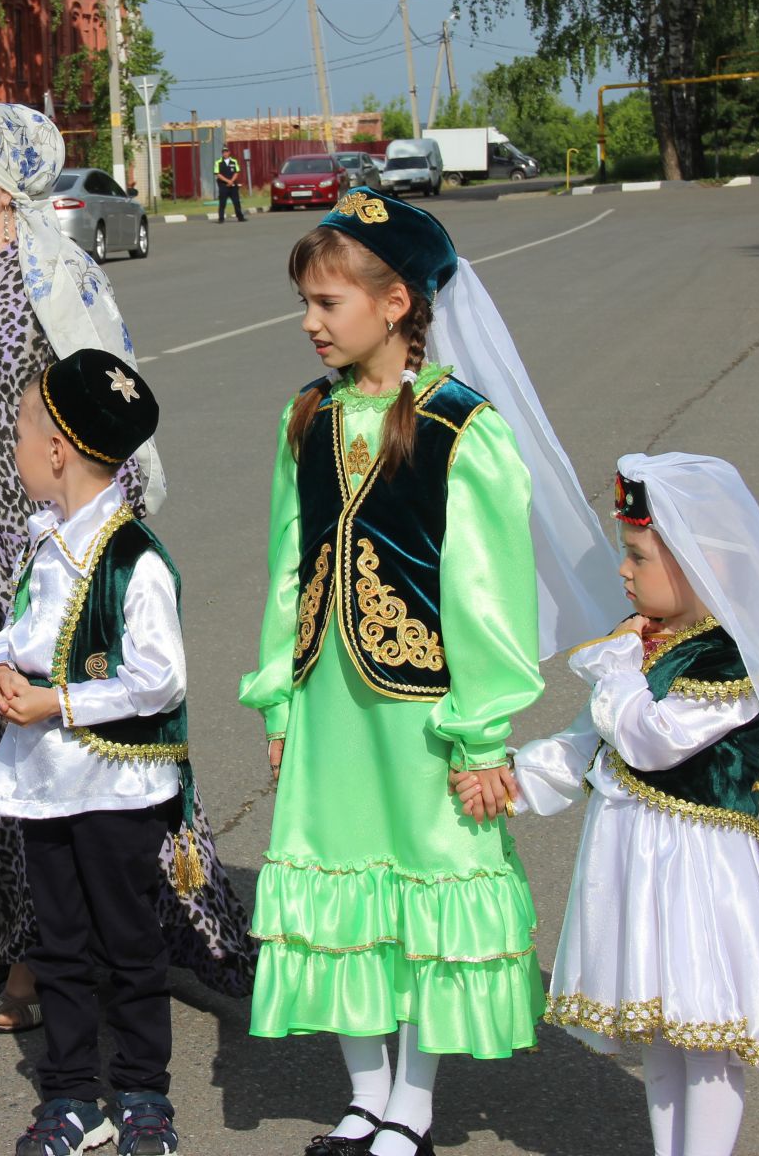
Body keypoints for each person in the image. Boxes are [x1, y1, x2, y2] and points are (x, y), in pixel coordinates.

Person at [0, 102, 254, 1032]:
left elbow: (107, 419)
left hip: (32, 555)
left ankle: (51, 951)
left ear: (2, 181)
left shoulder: (53, 278)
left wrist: (104, 552)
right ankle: (7, 934)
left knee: (46, 743)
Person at [240, 188, 621, 1156]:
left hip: (421, 712)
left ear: (397, 302)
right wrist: (278, 693)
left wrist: (480, 729)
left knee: (426, 884)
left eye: (328, 302)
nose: (309, 321)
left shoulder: (460, 427)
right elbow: (291, 561)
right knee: (340, 888)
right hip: (331, 699)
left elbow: (485, 595)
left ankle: (412, 1101)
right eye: (308, 302)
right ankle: (363, 1095)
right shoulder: (306, 417)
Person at [468, 453, 759, 1156]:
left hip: (697, 866)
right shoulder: (648, 640)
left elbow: (651, 740)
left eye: (637, 556)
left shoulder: (730, 659)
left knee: (702, 1028)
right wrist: (512, 780)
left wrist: (617, 665)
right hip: (630, 855)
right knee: (656, 1029)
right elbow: (587, 740)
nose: (623, 571)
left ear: (698, 565)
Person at [0, 350, 197, 1156]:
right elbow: (19, 632)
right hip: (45, 784)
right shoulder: (47, 545)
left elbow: (159, 679)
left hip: (115, 786)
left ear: (58, 451)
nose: (19, 452)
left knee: (128, 944)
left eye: (23, 436)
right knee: (56, 942)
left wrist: (56, 702)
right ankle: (71, 1095)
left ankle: (141, 1091)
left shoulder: (134, 559)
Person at [214, 151, 246, 223]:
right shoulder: (218, 162)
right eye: (223, 152)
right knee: (222, 203)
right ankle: (221, 218)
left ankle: (240, 217)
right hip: (223, 185)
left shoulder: (234, 161)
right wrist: (228, 181)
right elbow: (217, 174)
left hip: (233, 185)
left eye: (226, 152)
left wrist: (231, 181)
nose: (225, 154)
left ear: (229, 153)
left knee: (236, 202)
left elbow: (236, 172)